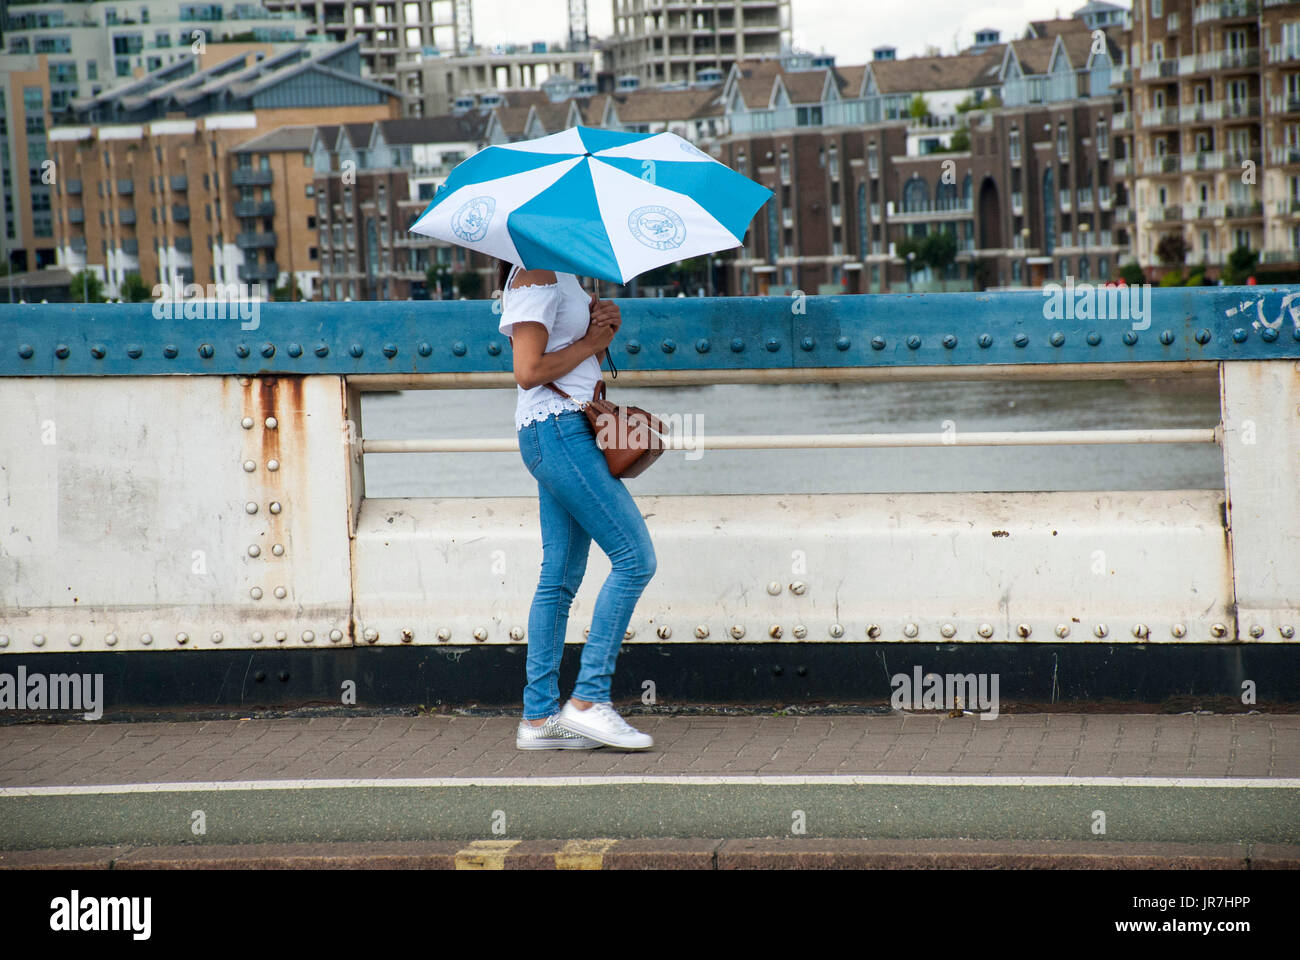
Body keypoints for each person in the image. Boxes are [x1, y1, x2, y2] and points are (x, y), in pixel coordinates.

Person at [496, 259, 657, 751]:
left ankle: (540, 718)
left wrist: (601, 331)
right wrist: (589, 342)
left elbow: (566, 360)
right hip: (558, 432)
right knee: (635, 559)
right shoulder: (535, 276)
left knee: (560, 578)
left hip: (563, 429)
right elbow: (528, 371)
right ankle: (588, 701)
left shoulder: (561, 277)